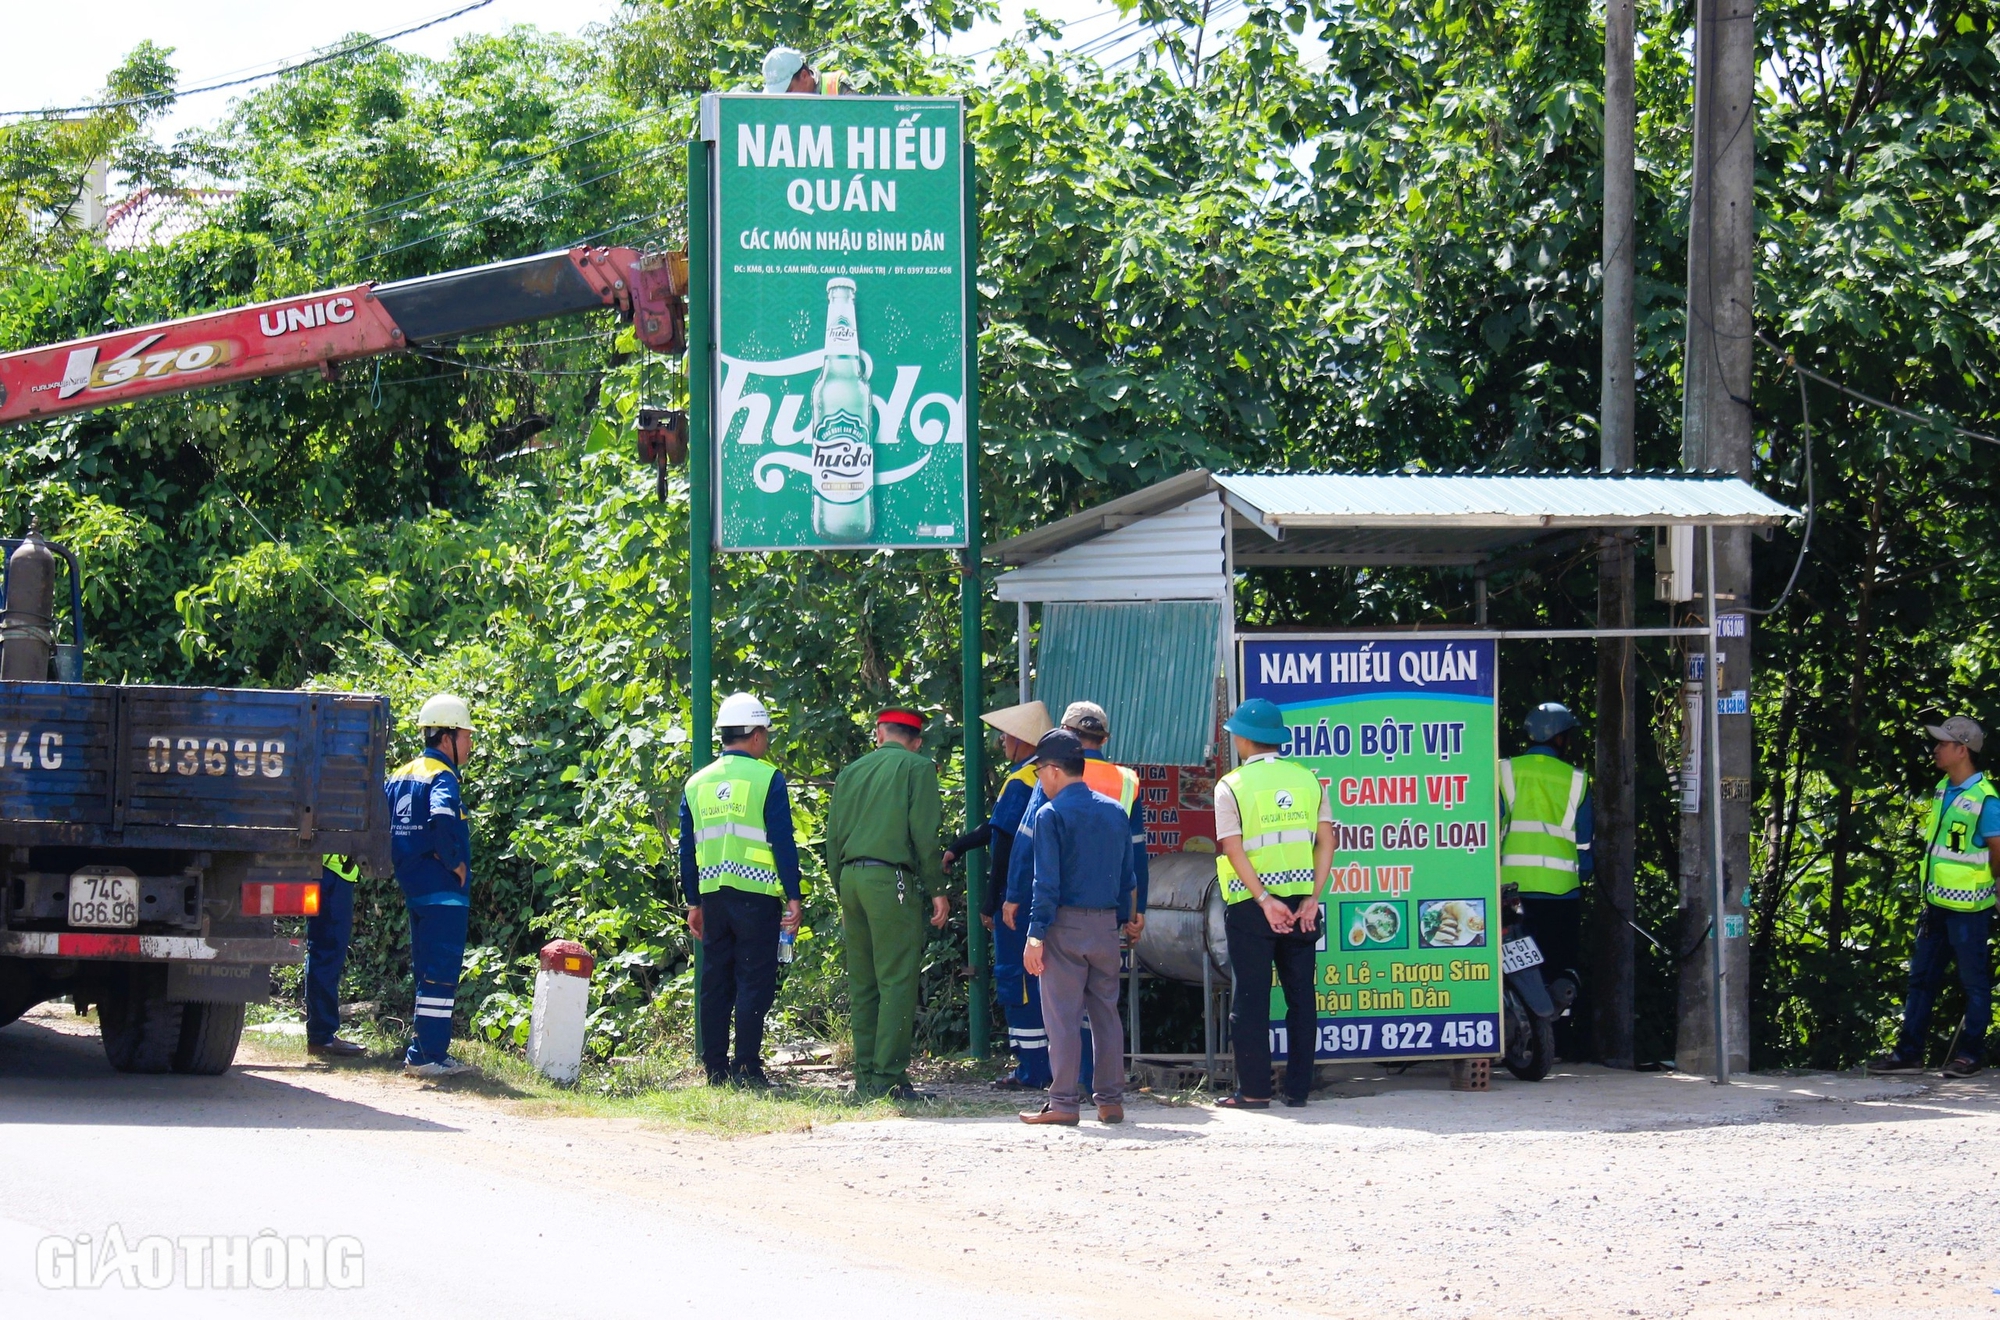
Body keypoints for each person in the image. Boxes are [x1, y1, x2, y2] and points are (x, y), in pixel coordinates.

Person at [1212, 698, 1337, 1110]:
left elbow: (1232, 847)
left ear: (1245, 740)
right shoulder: (1309, 780)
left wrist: (1265, 899)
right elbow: (1326, 842)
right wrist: (1311, 900)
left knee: (1251, 999)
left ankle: (1254, 1092)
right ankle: (1298, 1091)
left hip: (1253, 906)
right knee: (1302, 997)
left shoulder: (1231, 786)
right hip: (1302, 906)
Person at [679, 692, 804, 1088]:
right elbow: (782, 841)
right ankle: (747, 1066)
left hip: (713, 897)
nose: (765, 740)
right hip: (757, 896)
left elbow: (687, 849)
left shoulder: (696, 783)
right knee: (754, 978)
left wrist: (692, 902)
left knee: (715, 980)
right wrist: (794, 895)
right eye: (764, 733)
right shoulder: (768, 777)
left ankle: (714, 1068)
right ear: (753, 734)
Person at [825, 708, 951, 1099]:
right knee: (897, 978)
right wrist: (937, 889)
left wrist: (841, 889)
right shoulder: (918, 768)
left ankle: (865, 1078)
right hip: (891, 878)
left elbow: (832, 838)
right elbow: (925, 835)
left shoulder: (851, 772)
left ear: (879, 734)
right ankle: (889, 1078)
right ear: (916, 741)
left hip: (849, 878)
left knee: (863, 982)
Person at [1018, 729, 1139, 1126]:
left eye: (1039, 772)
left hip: (1063, 929)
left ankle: (1065, 1104)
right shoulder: (1114, 811)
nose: (1039, 780)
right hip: (1106, 928)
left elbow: (1046, 883)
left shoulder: (1050, 815)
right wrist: (1122, 920)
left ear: (1053, 771)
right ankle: (1110, 1102)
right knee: (1105, 1015)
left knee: (1062, 1018)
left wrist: (1035, 935)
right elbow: (1127, 877)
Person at [1869, 716, 2000, 1078]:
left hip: (1970, 911)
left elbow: (1997, 850)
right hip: (1937, 905)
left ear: (1962, 750)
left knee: (1974, 983)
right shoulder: (1945, 788)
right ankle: (1908, 1054)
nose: (1936, 749)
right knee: (1922, 979)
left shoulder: (1985, 800)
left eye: (1943, 744)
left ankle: (1970, 1055)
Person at [941, 701, 1052, 1089]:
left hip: (1018, 898)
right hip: (1051, 897)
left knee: (1017, 977)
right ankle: (1057, 1065)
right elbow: (994, 829)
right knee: (1050, 980)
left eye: (1006, 734)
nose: (1001, 740)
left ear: (1022, 740)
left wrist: (991, 902)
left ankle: (1031, 1069)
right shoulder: (1052, 774)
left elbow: (1004, 841)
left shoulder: (1021, 779)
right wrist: (959, 846)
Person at [387, 694, 477, 1079]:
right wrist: (454, 861)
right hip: (442, 888)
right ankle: (430, 1055)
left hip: (413, 885)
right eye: (467, 736)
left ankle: (421, 1051)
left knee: (426, 970)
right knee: (441, 971)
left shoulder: (400, 773)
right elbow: (441, 818)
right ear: (447, 738)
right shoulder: (442, 777)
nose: (471, 744)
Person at [1498, 701, 1592, 1057]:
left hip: (1510, 891)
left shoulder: (1505, 772)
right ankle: (1560, 1039)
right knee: (1558, 966)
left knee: (1506, 964)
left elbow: (1492, 827)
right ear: (1562, 738)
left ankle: (1510, 1031)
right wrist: (1582, 874)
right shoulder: (1577, 780)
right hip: (1561, 892)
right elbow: (1584, 844)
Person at [304, 853, 366, 1058]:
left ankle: (321, 1034)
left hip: (330, 869)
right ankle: (322, 1036)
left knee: (323, 951)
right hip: (331, 870)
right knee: (326, 952)